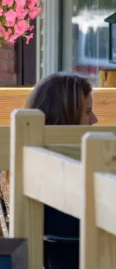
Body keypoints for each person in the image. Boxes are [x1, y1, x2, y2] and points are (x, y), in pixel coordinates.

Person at [25, 71, 98, 239]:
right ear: (65, 118)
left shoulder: (33, 168)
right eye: (88, 111)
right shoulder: (70, 178)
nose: (94, 119)